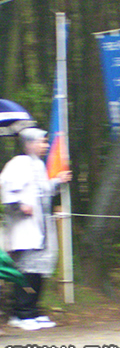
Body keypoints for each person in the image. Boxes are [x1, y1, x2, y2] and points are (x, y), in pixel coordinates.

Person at [1, 128, 72, 331]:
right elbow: (5, 186)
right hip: (25, 227)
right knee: (26, 271)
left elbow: (43, 191)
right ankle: (21, 313)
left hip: (40, 228)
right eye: (42, 142)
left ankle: (31, 311)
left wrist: (58, 180)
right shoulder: (18, 163)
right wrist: (19, 205)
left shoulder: (39, 165)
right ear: (29, 143)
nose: (46, 145)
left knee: (39, 270)